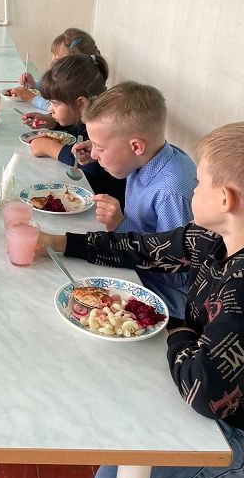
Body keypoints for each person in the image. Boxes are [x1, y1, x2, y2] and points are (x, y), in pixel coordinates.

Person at [37, 121, 244, 478]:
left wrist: (178, 331)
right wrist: (61, 242)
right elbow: (143, 248)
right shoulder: (215, 240)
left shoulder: (239, 291)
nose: (193, 191)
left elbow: (206, 390)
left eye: (200, 183)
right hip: (208, 395)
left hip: (232, 436)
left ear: (225, 200)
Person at [77, 81, 197, 319]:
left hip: (163, 299)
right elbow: (121, 156)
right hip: (133, 265)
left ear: (136, 146)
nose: (94, 154)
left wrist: (121, 225)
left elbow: (178, 271)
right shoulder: (150, 155)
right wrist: (100, 147)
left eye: (100, 148)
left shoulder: (170, 192)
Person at [26, 54, 126, 207]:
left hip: (105, 207)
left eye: (55, 104)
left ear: (81, 104)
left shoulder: (104, 125)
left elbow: (94, 164)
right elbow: (76, 127)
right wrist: (53, 122)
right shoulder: (87, 117)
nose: (51, 109)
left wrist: (48, 147)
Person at [12, 27, 104, 108]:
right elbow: (56, 89)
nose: (51, 63)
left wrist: (31, 98)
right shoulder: (78, 78)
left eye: (58, 60)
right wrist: (34, 84)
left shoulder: (82, 87)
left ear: (77, 66)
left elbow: (58, 109)